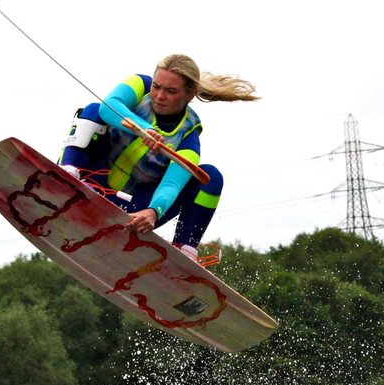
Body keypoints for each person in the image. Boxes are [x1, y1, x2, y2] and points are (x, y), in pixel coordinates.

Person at [58, 54, 259, 261]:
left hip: (132, 210)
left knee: (210, 176)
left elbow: (171, 184)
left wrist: (153, 212)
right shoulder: (140, 84)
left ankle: (185, 250)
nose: (159, 96)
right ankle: (67, 173)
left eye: (170, 91)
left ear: (189, 95)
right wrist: (143, 129)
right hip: (89, 178)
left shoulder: (188, 137)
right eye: (157, 87)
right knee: (94, 109)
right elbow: (109, 106)